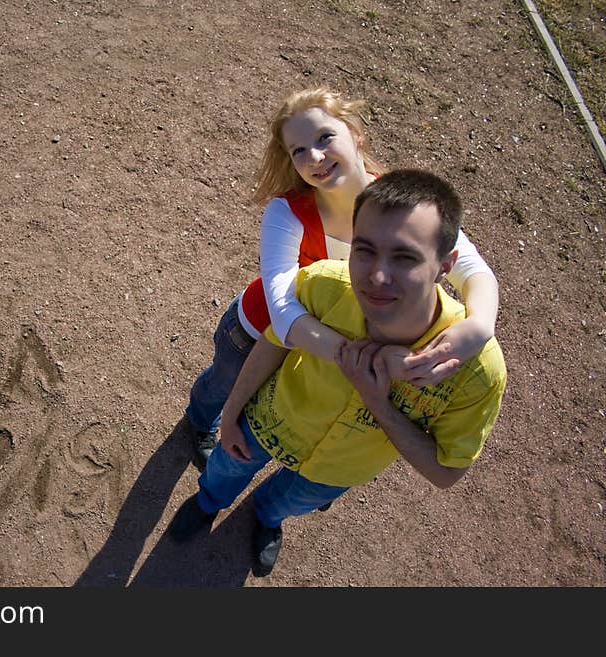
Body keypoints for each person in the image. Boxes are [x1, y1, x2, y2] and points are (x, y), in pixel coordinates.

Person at [168, 169, 507, 577]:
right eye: (364, 250)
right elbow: (274, 342)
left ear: (445, 265)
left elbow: (446, 471)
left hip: (336, 471)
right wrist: (233, 414)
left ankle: (267, 518)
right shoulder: (325, 284)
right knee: (226, 469)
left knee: (287, 501)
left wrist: (378, 403)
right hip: (267, 423)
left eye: (405, 257)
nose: (377, 277)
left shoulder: (478, 372)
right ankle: (208, 502)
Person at [185, 88, 500, 471]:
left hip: (315, 350)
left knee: (276, 407)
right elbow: (283, 312)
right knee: (222, 384)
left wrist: (479, 327)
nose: (314, 157)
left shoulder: (402, 202)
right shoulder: (286, 212)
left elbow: (475, 272)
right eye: (298, 150)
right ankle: (200, 422)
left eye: (324, 138)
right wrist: (373, 359)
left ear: (355, 133)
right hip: (254, 331)